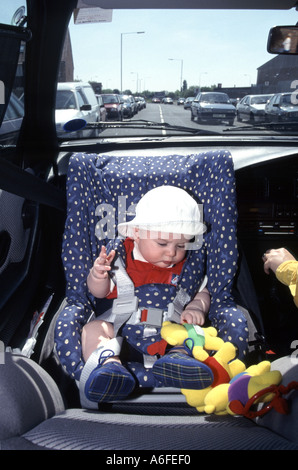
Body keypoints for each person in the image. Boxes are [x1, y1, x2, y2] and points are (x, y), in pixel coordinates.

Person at [81, 185, 213, 403]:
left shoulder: (188, 268)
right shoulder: (119, 261)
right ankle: (109, 366)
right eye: (162, 243)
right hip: (122, 335)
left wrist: (198, 306)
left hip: (172, 334)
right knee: (93, 328)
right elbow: (99, 293)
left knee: (196, 332)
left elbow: (203, 290)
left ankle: (178, 360)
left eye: (181, 245)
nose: (172, 252)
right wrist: (98, 276)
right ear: (136, 233)